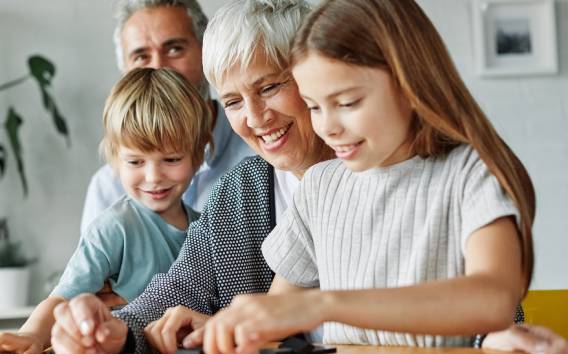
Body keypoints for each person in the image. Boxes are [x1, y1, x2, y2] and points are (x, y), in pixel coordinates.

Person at [200, 0, 536, 351]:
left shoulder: (471, 174)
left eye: (346, 103)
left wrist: (322, 305)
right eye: (314, 106)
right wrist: (218, 329)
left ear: (409, 83)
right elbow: (269, 324)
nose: (327, 127)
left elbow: (493, 300)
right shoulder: (320, 187)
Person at [48, 2, 332, 354]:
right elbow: (175, 292)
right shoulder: (239, 190)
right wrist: (112, 335)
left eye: (270, 87)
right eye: (232, 101)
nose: (255, 118)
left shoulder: (367, 174)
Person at [0, 67, 212, 354]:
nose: (153, 176)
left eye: (171, 159)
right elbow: (64, 299)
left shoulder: (207, 227)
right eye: (135, 162)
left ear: (198, 155)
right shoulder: (115, 227)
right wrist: (31, 335)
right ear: (115, 159)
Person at [80, 0, 254, 232]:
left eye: (174, 49)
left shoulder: (261, 155)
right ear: (125, 73)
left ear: (206, 52)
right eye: (141, 56)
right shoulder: (108, 188)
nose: (159, 67)